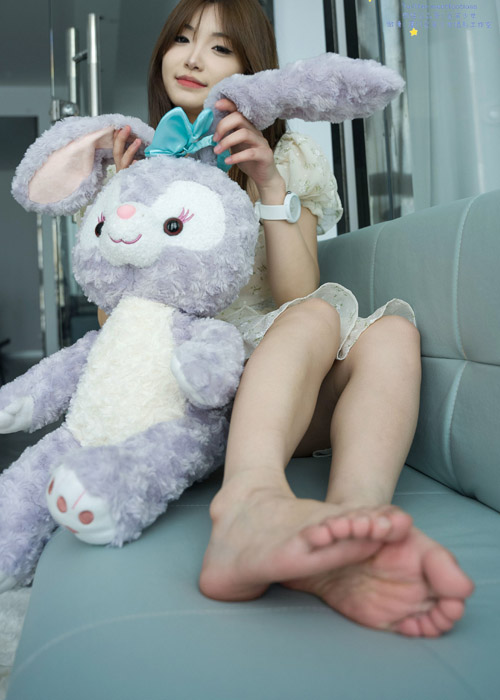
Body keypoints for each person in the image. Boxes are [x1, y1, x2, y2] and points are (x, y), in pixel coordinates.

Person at [110, 0, 474, 637]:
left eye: (221, 48)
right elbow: (115, 326)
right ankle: (248, 504)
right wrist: (126, 206)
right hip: (185, 383)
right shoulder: (135, 162)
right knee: (314, 319)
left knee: (391, 332)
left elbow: (297, 291)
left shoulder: (290, 155)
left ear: (253, 69)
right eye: (183, 39)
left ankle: (351, 534)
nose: (193, 59)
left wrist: (269, 183)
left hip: (277, 384)